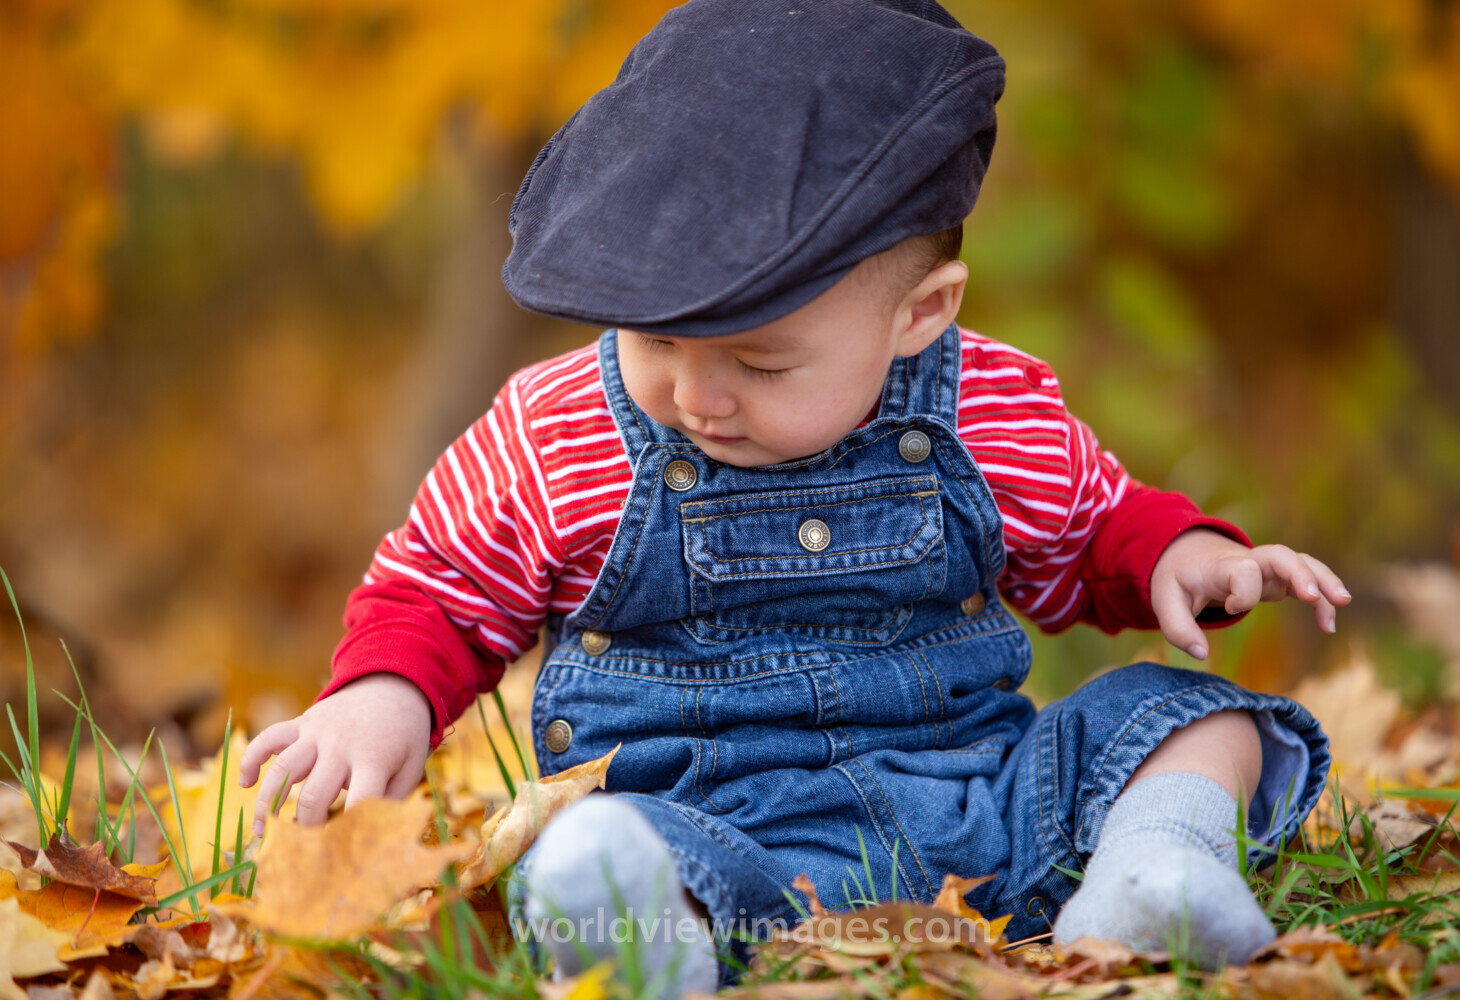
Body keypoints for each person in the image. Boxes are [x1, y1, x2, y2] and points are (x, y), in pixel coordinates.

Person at [239, 1, 1343, 994]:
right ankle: (644, 936)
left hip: (981, 809)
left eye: (762, 364)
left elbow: (1089, 527)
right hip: (713, 827)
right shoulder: (560, 429)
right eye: (657, 337)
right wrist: (380, 694)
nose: (697, 395)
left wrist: (1178, 552)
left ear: (922, 314)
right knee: (601, 846)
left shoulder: (985, 406)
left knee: (1198, 718)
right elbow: (444, 581)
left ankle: (1153, 871)